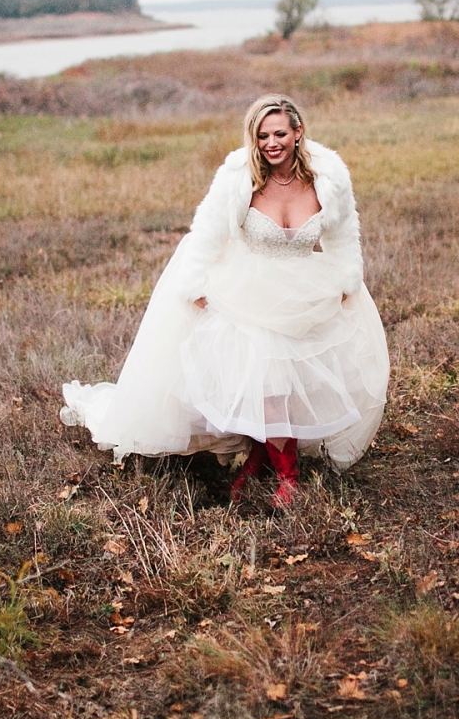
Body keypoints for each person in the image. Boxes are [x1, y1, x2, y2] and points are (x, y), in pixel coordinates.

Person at [61, 93, 389, 506]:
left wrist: (347, 280)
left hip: (305, 289)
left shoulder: (329, 178)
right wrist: (195, 284)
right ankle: (287, 474)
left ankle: (257, 456)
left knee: (287, 383)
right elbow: (206, 235)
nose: (271, 143)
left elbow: (343, 235)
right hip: (247, 289)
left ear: (298, 132)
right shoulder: (239, 175)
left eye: (280, 134)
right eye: (263, 135)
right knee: (267, 377)